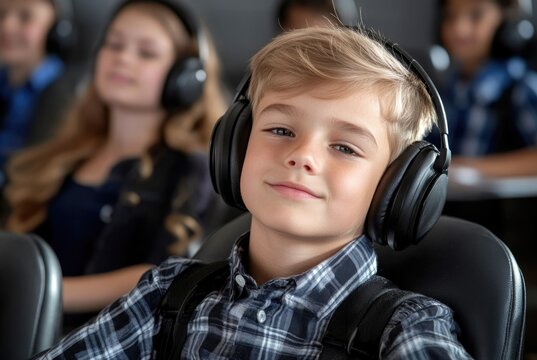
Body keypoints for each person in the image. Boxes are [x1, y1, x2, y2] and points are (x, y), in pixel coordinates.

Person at [33, 26, 472, 358]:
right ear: (235, 147)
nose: (303, 156)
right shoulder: (168, 295)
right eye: (280, 129)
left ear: (399, 188)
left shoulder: (404, 329)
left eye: (344, 146)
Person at [2, 0, 236, 327]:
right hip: (21, 321)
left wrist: (40, 292)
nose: (122, 58)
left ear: (185, 78)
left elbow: (161, 272)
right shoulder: (63, 153)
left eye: (146, 53)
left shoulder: (191, 168)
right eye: (113, 45)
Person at [435, 0, 537, 177]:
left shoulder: (522, 89)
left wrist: (470, 169)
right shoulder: (447, 90)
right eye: (450, 17)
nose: (459, 29)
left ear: (508, 25)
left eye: (476, 16)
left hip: (494, 204)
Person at [0, 0, 79, 179]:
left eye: (25, 17)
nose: (6, 26)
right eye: (1, 15)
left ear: (56, 32)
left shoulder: (67, 95)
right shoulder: (4, 81)